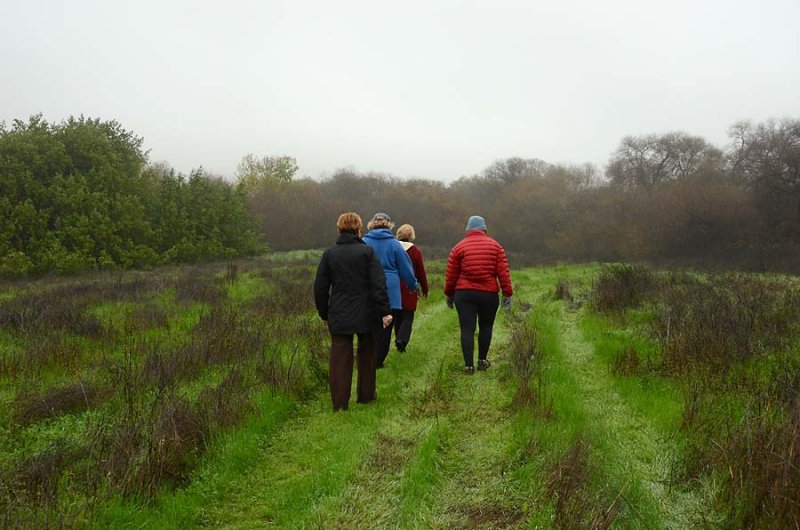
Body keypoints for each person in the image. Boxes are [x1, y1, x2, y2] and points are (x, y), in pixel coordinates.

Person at [314, 212, 394, 411]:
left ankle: (340, 403)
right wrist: (385, 311)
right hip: (367, 312)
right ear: (359, 229)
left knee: (340, 357)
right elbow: (378, 284)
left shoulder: (329, 254)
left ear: (339, 229)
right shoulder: (367, 253)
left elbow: (320, 287)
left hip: (339, 312)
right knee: (367, 353)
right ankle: (366, 396)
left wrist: (324, 312)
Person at [444, 215, 513, 375]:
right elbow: (503, 272)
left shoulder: (459, 247)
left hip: (464, 294)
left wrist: (449, 293)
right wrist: (507, 293)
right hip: (488, 294)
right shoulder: (496, 246)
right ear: (484, 229)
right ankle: (482, 360)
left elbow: (451, 274)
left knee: (467, 329)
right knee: (486, 326)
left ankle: (468, 366)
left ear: (468, 229)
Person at [362, 212, 419, 368]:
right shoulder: (395, 245)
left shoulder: (363, 242)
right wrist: (413, 285)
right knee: (386, 328)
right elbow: (406, 269)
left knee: (369, 326)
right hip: (391, 292)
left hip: (368, 291)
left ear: (371, 225)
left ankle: (368, 357)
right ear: (389, 225)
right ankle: (378, 360)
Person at [395, 224, 428, 352]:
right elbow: (421, 272)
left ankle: (398, 338)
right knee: (407, 315)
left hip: (394, 287)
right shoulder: (415, 251)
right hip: (409, 287)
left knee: (397, 315)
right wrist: (425, 289)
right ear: (411, 236)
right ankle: (402, 339)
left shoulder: (393, 248)